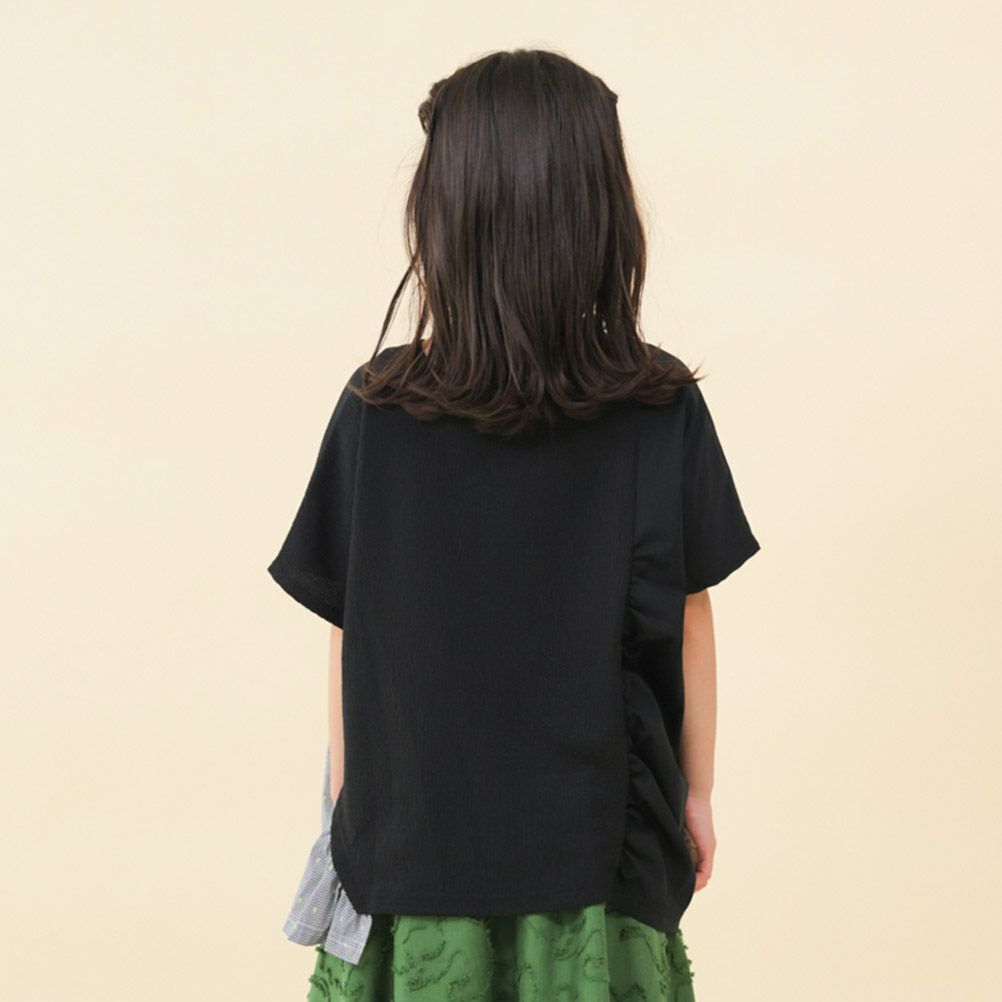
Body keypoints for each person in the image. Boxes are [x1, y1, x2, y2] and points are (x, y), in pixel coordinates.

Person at [267, 47, 761, 1002]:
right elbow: (689, 616)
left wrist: (347, 811)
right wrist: (697, 794)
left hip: (412, 862)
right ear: (599, 212)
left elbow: (348, 630)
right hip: (599, 863)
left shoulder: (377, 408)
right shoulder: (658, 405)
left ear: (447, 212)